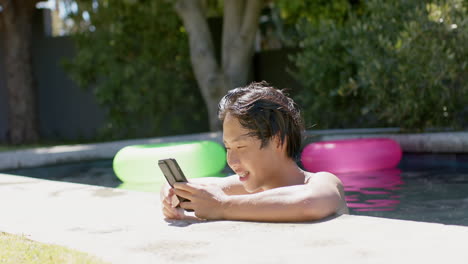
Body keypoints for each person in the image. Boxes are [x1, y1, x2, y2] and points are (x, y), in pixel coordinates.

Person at [160, 81, 348, 222]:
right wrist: (171, 193)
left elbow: (311, 203)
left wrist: (222, 206)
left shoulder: (323, 181)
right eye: (227, 148)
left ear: (277, 140)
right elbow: (199, 186)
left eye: (240, 147)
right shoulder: (253, 187)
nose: (231, 161)